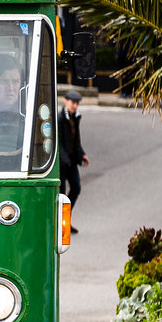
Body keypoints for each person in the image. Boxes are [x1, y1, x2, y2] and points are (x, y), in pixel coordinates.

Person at [58, 89, 89, 233]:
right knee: (62, 194)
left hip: (71, 161)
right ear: (65, 102)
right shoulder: (59, 118)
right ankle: (60, 224)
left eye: (77, 103)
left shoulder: (75, 117)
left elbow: (76, 139)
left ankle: (65, 219)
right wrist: (65, 159)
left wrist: (82, 154)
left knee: (76, 188)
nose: (75, 105)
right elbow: (57, 142)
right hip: (61, 162)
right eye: (72, 102)